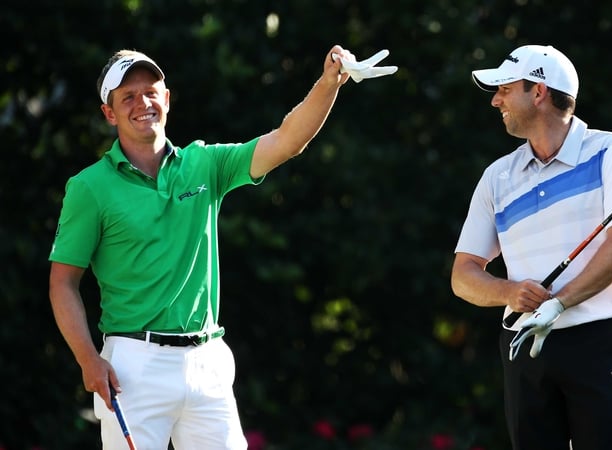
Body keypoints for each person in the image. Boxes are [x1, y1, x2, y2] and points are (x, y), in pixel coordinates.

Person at [48, 46, 378, 449]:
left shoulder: (204, 164)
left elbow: (287, 141)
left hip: (207, 359)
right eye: (128, 97)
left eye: (151, 91)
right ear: (109, 113)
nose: (143, 103)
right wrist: (87, 358)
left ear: (166, 99)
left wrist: (329, 83)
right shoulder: (89, 187)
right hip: (133, 365)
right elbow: (63, 283)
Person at [451, 44, 612, 450]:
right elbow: (464, 275)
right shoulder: (497, 177)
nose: (496, 101)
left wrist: (559, 303)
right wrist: (511, 292)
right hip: (526, 348)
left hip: (598, 342)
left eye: (505, 89)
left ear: (538, 91)